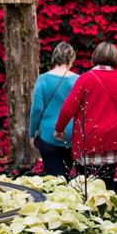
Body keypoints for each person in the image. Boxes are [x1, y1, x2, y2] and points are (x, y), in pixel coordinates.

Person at [54, 42, 117, 190]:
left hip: (90, 137)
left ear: (95, 56)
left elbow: (69, 107)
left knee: (87, 184)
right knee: (108, 183)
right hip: (114, 136)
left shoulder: (86, 78)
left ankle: (91, 212)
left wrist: (59, 129)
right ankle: (108, 211)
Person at [28, 42, 79, 178]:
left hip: (48, 135)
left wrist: (32, 134)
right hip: (71, 135)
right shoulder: (78, 80)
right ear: (72, 59)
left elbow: (37, 109)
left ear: (54, 58)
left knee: (54, 179)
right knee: (66, 175)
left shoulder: (43, 79)